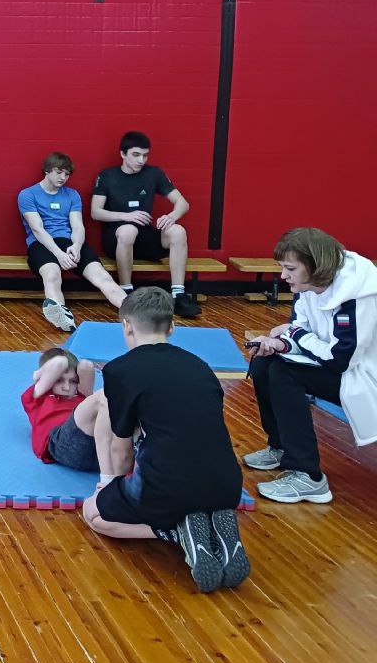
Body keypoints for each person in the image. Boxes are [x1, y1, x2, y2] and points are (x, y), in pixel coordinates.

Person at [81, 289, 248, 593]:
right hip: (227, 488)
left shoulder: (120, 370)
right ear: (171, 327)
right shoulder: (200, 366)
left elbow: (121, 451)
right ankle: (207, 525)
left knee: (93, 514)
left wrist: (112, 487)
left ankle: (175, 532)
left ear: (127, 326)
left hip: (166, 488)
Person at [244, 227, 377, 504]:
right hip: (336, 365)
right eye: (282, 268)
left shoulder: (358, 294)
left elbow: (340, 359)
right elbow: (300, 330)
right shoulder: (306, 286)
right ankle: (281, 447)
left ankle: (308, 475)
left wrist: (294, 335)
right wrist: (279, 344)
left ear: (315, 266)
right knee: (265, 362)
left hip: (363, 377)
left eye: (290, 269)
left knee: (285, 373)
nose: (283, 276)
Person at [90, 131, 201, 318]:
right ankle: (126, 292)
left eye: (145, 155)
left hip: (145, 237)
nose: (141, 160)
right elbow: (95, 212)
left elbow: (183, 203)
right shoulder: (107, 176)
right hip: (117, 239)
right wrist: (127, 216)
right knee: (128, 230)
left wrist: (172, 216)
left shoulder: (154, 173)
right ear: (123, 154)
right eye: (136, 155)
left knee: (178, 231)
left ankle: (178, 295)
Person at [18, 152, 126, 332]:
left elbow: (78, 227)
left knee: (102, 276)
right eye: (59, 172)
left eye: (67, 174)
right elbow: (37, 229)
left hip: (69, 242)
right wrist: (59, 254)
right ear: (47, 171)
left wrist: (76, 246)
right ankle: (63, 317)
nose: (63, 177)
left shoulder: (72, 195)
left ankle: (136, 314)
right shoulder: (27, 194)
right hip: (41, 244)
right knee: (52, 275)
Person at [21, 348, 113, 480]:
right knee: (103, 396)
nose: (67, 387)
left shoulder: (81, 395)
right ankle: (107, 479)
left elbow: (86, 366)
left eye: (73, 381)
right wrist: (39, 375)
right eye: (59, 380)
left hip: (99, 451)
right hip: (60, 445)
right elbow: (59, 363)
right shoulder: (38, 398)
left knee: (109, 399)